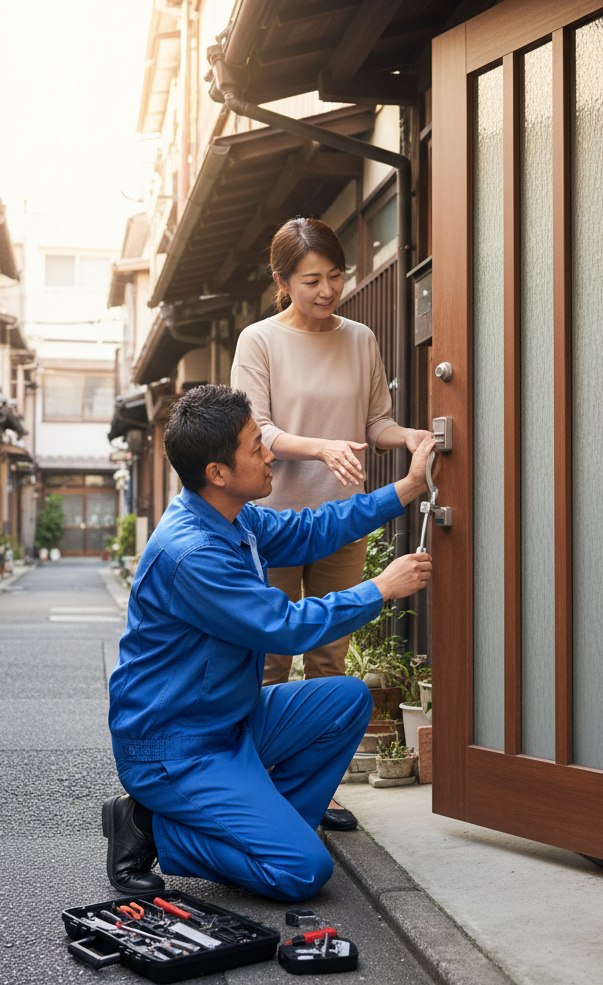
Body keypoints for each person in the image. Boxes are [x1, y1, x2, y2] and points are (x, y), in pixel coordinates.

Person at [103, 384, 434, 903]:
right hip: (175, 748)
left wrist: (408, 489)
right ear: (217, 473)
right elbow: (285, 626)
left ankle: (270, 829)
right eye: (256, 446)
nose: (269, 453)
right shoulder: (194, 554)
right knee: (302, 873)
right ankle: (148, 827)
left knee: (345, 700)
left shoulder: (232, 516)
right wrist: (380, 588)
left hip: (228, 721)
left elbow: (311, 529)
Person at [230, 217, 428, 830]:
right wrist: (320, 447)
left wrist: (413, 437)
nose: (327, 290)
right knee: (267, 658)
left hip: (343, 519)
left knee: (329, 656)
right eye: (312, 279)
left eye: (336, 276)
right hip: (274, 522)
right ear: (282, 281)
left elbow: (374, 425)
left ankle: (320, 791)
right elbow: (256, 430)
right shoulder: (259, 340)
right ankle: (253, 786)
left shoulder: (361, 337)